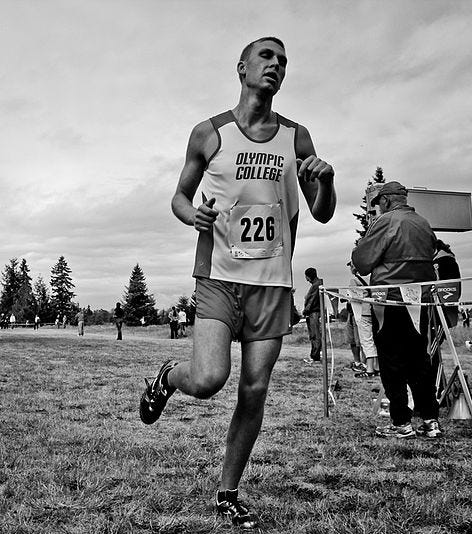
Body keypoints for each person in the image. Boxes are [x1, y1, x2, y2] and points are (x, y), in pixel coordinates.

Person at [138, 37, 336, 529]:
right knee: (208, 380)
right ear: (242, 67)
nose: (276, 66)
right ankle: (168, 377)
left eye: (284, 61)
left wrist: (326, 179)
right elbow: (179, 198)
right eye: (267, 57)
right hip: (219, 276)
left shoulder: (298, 137)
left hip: (272, 284)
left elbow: (323, 211)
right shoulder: (209, 133)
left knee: (254, 389)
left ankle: (228, 491)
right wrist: (195, 217)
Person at [351, 180, 441, 439]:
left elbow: (362, 261)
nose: (377, 207)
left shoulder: (386, 221)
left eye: (378, 202)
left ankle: (401, 422)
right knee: (420, 362)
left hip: (390, 301)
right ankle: (430, 420)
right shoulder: (423, 222)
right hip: (419, 302)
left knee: (392, 365)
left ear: (386, 200)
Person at [348, 262, 379, 377]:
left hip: (364, 311)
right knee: (375, 339)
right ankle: (377, 366)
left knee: (366, 340)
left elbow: (354, 298)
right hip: (376, 309)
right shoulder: (374, 276)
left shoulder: (354, 280)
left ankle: (370, 368)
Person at [302, 267, 323, 363]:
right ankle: (315, 354)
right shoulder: (317, 284)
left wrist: (306, 310)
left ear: (308, 276)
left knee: (315, 334)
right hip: (314, 312)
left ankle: (315, 356)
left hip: (313, 312)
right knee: (314, 334)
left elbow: (312, 300)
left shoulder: (316, 285)